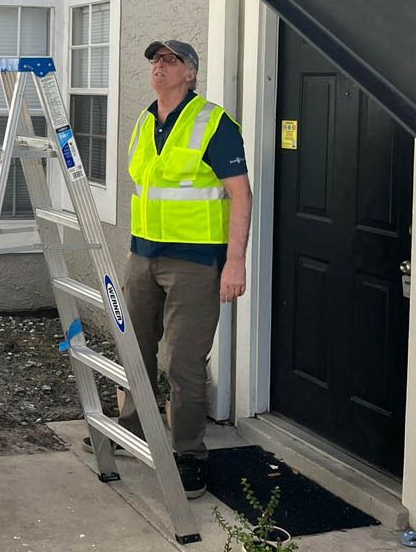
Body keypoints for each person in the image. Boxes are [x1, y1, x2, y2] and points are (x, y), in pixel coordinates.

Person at [86, 40, 251, 499]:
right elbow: (148, 190)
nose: (159, 66)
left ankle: (190, 453)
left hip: (195, 262)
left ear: (190, 73)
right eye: (155, 60)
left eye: (170, 59)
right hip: (144, 255)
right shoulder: (145, 121)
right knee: (133, 347)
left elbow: (241, 195)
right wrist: (134, 251)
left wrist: (235, 261)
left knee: (183, 362)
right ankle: (133, 428)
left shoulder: (213, 123)